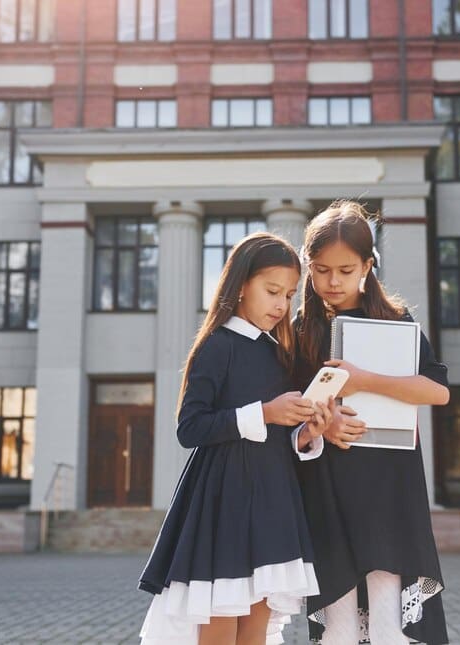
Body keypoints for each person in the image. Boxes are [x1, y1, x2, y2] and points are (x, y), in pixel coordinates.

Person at [139, 232, 332, 645]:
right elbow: (190, 427)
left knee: (255, 631)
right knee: (220, 628)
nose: (282, 305)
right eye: (272, 291)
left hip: (272, 503)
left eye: (290, 295)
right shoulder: (216, 346)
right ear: (241, 285)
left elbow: (281, 435)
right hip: (223, 504)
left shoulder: (281, 352)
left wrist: (304, 434)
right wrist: (265, 413)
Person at [294, 201, 451, 644]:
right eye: (321, 270)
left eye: (346, 270)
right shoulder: (302, 328)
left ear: (368, 265)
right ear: (308, 265)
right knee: (338, 621)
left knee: (388, 621)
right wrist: (321, 426)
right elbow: (291, 411)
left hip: (389, 481)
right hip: (330, 482)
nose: (333, 281)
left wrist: (363, 380)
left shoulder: (395, 321)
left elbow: (437, 390)